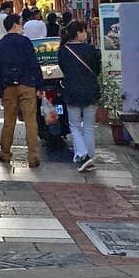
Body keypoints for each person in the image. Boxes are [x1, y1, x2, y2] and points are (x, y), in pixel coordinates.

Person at [0, 11, 43, 167]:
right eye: (21, 23)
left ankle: (5, 154)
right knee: (31, 122)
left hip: (8, 87)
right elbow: (34, 65)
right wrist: (39, 86)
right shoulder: (26, 42)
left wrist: (1, 92)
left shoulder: (0, 45)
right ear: (15, 25)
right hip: (27, 85)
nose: (22, 27)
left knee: (9, 122)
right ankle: (33, 157)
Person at [58, 20, 101, 172]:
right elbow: (97, 70)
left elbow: (63, 68)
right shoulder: (91, 49)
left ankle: (83, 155)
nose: (86, 33)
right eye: (84, 31)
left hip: (72, 91)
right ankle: (88, 157)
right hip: (90, 91)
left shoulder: (63, 50)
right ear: (78, 33)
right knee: (89, 126)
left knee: (75, 125)